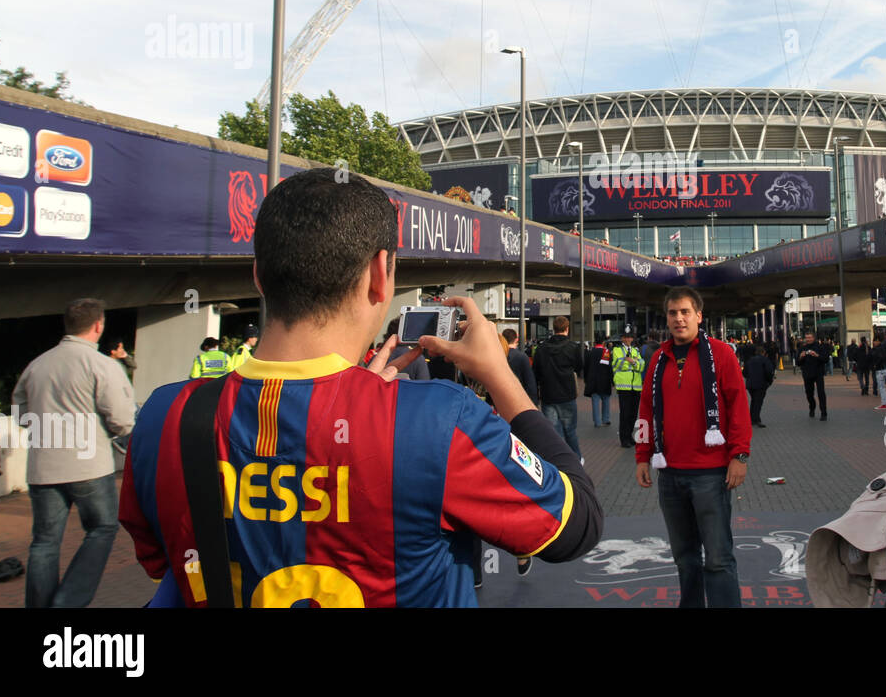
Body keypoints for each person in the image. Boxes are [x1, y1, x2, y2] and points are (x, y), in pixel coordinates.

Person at [119, 167, 601, 607]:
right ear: (380, 275)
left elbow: (163, 562)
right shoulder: (440, 421)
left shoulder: (165, 415)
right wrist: (499, 376)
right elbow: (575, 526)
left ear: (259, 276)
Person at [14, 298, 136, 607]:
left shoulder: (36, 365)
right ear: (98, 326)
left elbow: (20, 415)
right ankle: (68, 602)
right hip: (89, 468)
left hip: (42, 467)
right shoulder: (102, 365)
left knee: (44, 543)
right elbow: (122, 421)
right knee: (102, 528)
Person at [635, 287, 752, 608]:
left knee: (717, 558)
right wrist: (642, 455)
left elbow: (738, 405)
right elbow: (646, 409)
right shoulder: (658, 358)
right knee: (685, 558)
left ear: (699, 316)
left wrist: (739, 455)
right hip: (669, 474)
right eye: (673, 313)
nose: (679, 318)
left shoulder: (721, 354)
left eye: (685, 312)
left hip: (711, 475)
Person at [531, 316, 584, 459]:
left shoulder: (541, 348)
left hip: (548, 395)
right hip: (567, 394)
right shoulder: (573, 347)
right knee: (570, 431)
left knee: (554, 433)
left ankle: (560, 462)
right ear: (567, 329)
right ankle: (577, 459)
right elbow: (579, 367)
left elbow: (535, 372)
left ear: (553, 329)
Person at [610, 327, 644, 434]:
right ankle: (624, 438)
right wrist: (634, 362)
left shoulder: (635, 350)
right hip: (624, 386)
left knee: (633, 414)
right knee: (625, 413)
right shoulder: (617, 350)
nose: (628, 339)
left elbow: (642, 365)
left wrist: (632, 362)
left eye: (630, 337)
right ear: (622, 339)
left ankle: (629, 436)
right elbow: (618, 364)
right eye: (626, 337)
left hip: (636, 386)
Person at [795, 329, 828, 420]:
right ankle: (812, 407)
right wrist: (801, 357)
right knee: (809, 393)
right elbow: (798, 363)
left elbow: (825, 359)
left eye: (809, 338)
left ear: (814, 338)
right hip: (807, 373)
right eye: (806, 338)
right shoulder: (802, 348)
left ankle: (823, 413)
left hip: (818, 373)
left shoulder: (820, 347)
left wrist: (817, 355)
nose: (808, 339)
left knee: (821, 393)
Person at [742, 344, 775, 428]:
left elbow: (744, 372)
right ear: (763, 352)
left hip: (750, 384)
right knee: (758, 402)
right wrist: (769, 381)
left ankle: (751, 418)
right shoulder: (765, 360)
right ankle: (756, 419)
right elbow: (769, 372)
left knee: (754, 400)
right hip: (761, 384)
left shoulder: (749, 360)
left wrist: (749, 377)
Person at [503, 327, 538, 400]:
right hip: (519, 397)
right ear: (516, 339)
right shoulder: (522, 357)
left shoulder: (498, 355)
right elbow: (529, 382)